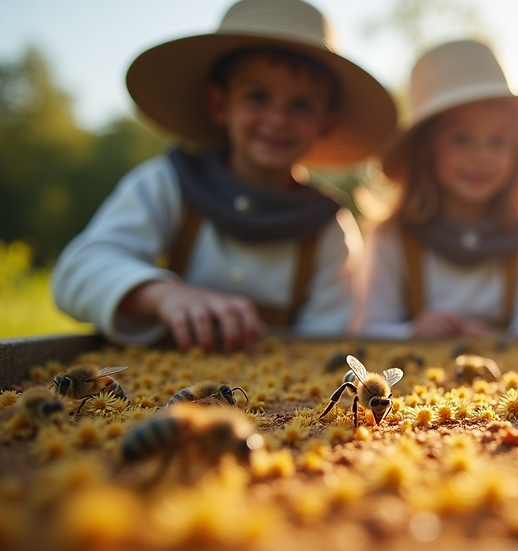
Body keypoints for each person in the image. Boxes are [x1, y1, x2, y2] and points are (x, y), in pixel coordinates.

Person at [51, 0, 397, 352]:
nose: (277, 119)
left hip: (274, 401)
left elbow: (326, 341)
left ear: (328, 122)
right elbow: (77, 272)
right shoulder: (166, 183)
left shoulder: (329, 228)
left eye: (302, 105)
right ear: (219, 104)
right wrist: (164, 296)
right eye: (257, 96)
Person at [353, 40, 518, 340]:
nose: (481, 157)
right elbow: (367, 328)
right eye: (461, 139)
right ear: (425, 150)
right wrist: (412, 332)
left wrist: (508, 338)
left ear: (516, 154)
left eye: (497, 142)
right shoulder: (392, 238)